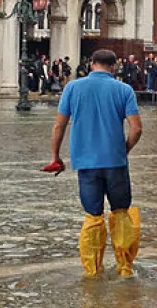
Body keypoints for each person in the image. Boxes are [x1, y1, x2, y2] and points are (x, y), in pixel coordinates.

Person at [47, 50, 144, 278]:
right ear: (114, 66)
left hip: (86, 163)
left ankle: (92, 271)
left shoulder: (72, 88)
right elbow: (137, 128)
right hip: (115, 163)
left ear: (91, 64)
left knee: (93, 215)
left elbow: (59, 126)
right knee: (121, 213)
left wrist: (55, 157)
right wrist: (124, 150)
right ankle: (125, 268)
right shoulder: (124, 90)